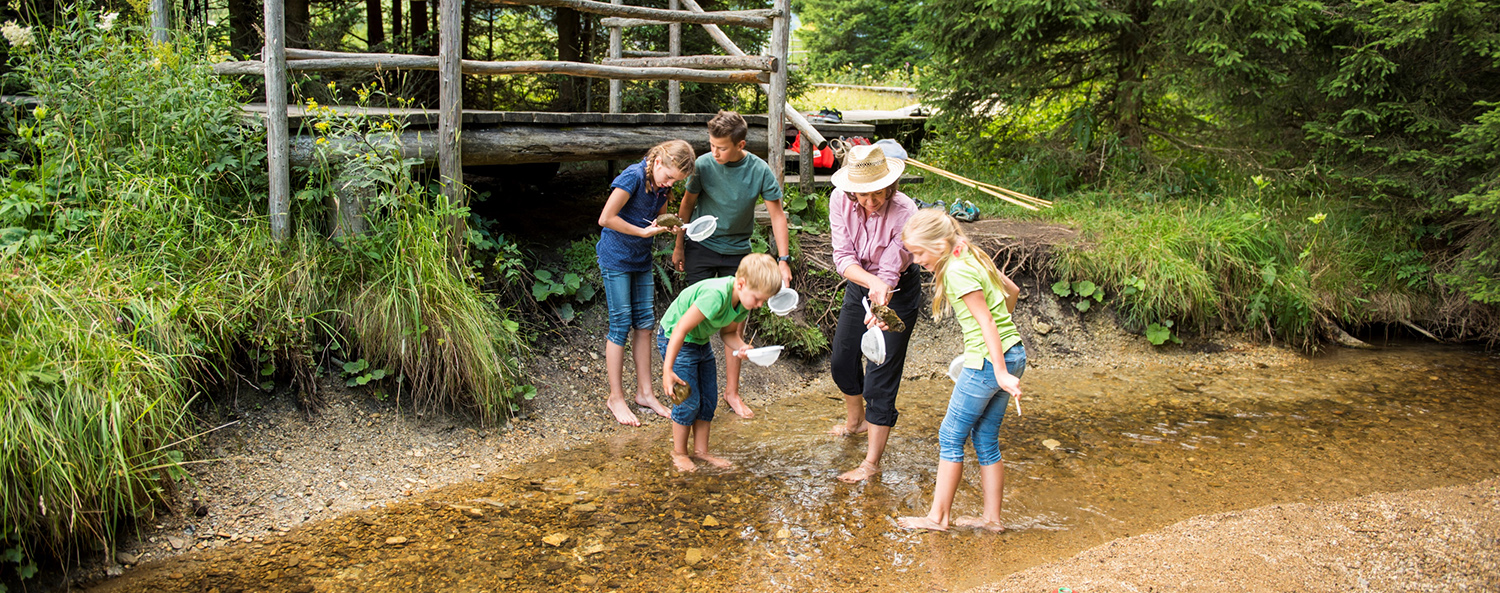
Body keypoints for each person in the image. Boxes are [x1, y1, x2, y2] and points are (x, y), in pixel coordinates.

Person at [896, 209, 1026, 532]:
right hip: (1014, 352)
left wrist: (998, 372)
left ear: (940, 244)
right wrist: (1005, 360)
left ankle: (937, 518)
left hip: (987, 362)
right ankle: (992, 520)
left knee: (950, 436)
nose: (915, 260)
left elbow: (986, 321)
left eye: (919, 252)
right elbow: (1012, 292)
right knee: (985, 438)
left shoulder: (956, 270)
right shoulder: (969, 252)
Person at [671, 110, 793, 419]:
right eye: (711, 145)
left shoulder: (759, 170)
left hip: (738, 251)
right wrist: (679, 246)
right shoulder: (702, 165)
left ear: (740, 144)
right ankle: (689, 389)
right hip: (701, 247)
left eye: (721, 147)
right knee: (696, 320)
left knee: (734, 326)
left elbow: (778, 215)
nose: (714, 152)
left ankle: (732, 393)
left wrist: (783, 260)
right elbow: (686, 205)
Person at [825, 143, 922, 483]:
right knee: (842, 360)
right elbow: (843, 258)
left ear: (890, 187)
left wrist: (882, 297)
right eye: (861, 195)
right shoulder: (840, 199)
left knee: (881, 372)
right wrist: (870, 285)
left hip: (899, 289)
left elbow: (891, 273)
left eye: (877, 195)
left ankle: (871, 463)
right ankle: (856, 421)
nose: (869, 202)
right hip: (860, 281)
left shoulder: (905, 211)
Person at [596, 139, 696, 427]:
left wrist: (670, 224)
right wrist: (641, 233)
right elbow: (606, 218)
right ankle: (615, 397)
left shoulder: (663, 182)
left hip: (640, 259)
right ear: (658, 161)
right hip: (615, 256)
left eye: (675, 181)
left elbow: (658, 216)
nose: (669, 184)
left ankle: (645, 393)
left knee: (645, 323)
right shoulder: (633, 176)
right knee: (620, 323)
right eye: (668, 177)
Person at [658, 253, 782, 472]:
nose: (760, 304)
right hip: (676, 338)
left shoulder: (743, 304)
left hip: (700, 341)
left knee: (708, 398)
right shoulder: (715, 295)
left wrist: (741, 347)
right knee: (688, 400)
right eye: (758, 298)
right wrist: (667, 369)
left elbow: (728, 334)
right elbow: (680, 328)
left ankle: (701, 452)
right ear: (741, 284)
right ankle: (679, 453)